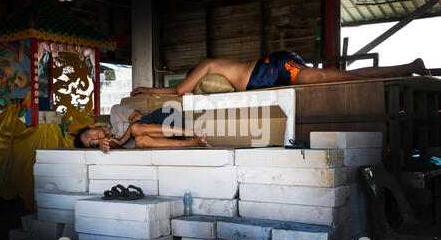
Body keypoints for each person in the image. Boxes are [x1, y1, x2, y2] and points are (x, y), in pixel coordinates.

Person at [130, 50, 430, 96]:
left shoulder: (208, 64)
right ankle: (408, 68)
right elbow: (181, 91)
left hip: (269, 70)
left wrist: (148, 90)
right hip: (270, 71)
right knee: (330, 75)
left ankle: (400, 74)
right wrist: (146, 89)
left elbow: (180, 91)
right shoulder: (213, 67)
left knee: (330, 77)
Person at [74, 104, 209, 153]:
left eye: (88, 135)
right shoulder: (112, 142)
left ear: (91, 126)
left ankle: (192, 133)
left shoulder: (115, 112)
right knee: (140, 142)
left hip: (168, 117)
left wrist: (122, 140)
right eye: (91, 143)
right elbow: (114, 145)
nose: (93, 138)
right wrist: (110, 145)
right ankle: (192, 143)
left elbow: (137, 116)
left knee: (135, 129)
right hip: (169, 138)